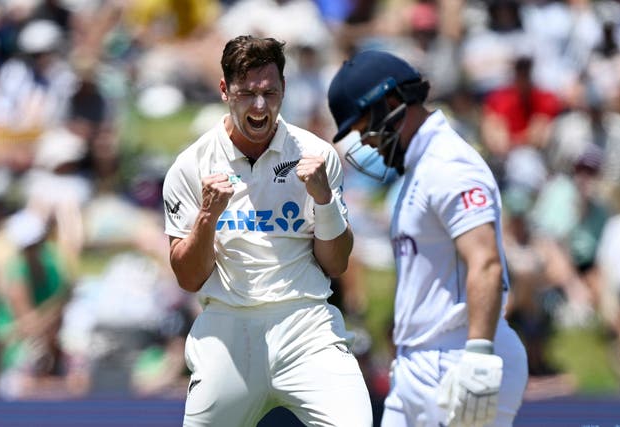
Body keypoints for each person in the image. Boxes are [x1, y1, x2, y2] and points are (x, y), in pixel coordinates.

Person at [162, 35, 372, 427]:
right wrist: (208, 215)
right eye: (247, 94)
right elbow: (189, 278)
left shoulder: (316, 156)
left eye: (269, 93)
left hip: (306, 325)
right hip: (228, 326)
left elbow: (337, 263)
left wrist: (324, 201)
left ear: (284, 89)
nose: (260, 106)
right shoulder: (191, 165)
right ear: (225, 90)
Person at [327, 50, 528, 427]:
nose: (367, 143)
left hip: (457, 357)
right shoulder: (419, 168)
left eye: (364, 129)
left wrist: (479, 356)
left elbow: (484, 260)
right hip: (419, 364)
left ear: (391, 104)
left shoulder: (448, 163)